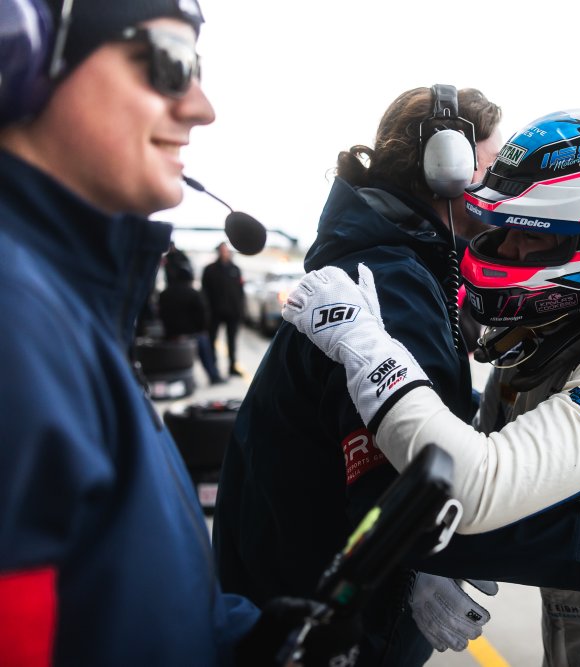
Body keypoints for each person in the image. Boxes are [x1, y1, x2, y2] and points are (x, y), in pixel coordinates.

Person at [213, 89, 580, 665]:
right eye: (491, 175)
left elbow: (460, 484)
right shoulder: (400, 284)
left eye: (534, 231)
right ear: (442, 169)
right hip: (317, 607)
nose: (505, 228)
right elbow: (413, 484)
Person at [0, 1, 354, 664]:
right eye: (170, 63)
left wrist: (241, 641)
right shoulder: (18, 324)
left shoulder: (70, 307)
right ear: (17, 54)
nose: (201, 107)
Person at [159, 246, 226, 385]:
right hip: (192, 334)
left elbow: (160, 314)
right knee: (204, 343)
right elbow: (203, 315)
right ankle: (213, 376)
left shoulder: (164, 294)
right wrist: (201, 329)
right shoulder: (193, 294)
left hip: (170, 334)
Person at [202, 241, 245, 376]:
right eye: (222, 250)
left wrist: (240, 310)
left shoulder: (235, 269)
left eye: (226, 250)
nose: (224, 253)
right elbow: (204, 292)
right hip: (215, 312)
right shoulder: (209, 270)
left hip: (232, 312)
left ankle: (232, 366)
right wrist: (207, 310)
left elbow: (240, 292)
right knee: (211, 340)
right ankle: (213, 368)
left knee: (232, 341)